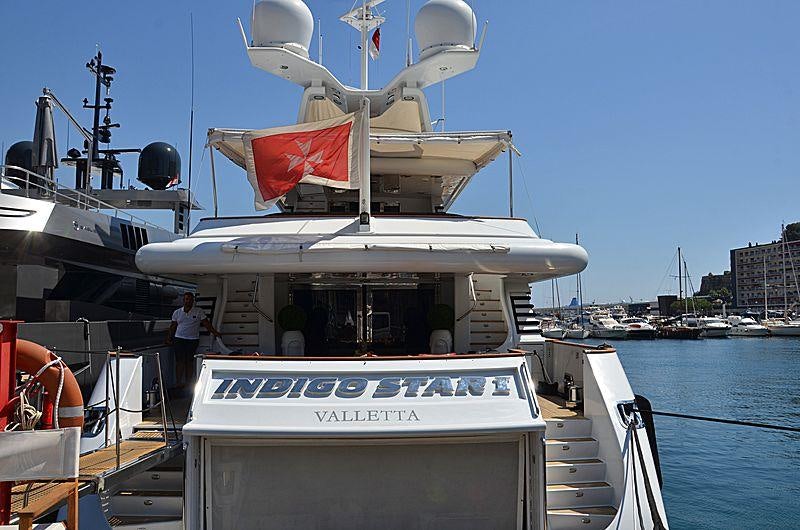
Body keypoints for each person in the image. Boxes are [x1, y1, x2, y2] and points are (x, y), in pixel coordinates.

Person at [166, 292, 221, 393]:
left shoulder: (199, 311)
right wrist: (169, 338)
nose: (189, 301)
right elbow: (173, 326)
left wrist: (215, 333)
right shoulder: (177, 312)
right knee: (179, 361)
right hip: (179, 339)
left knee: (189, 361)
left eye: (191, 299)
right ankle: (178, 382)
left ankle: (188, 383)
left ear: (193, 301)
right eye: (187, 299)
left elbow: (206, 324)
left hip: (192, 339)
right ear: (183, 300)